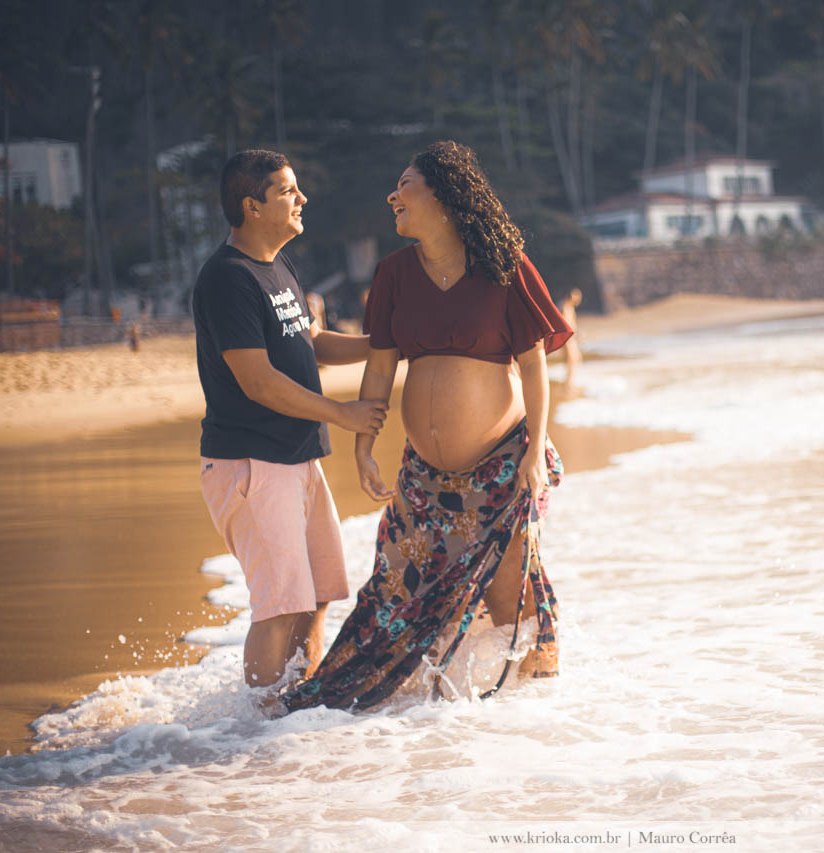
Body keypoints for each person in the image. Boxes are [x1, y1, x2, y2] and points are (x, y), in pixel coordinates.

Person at [281, 140, 572, 712]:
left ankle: (523, 717)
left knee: (508, 595)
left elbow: (536, 369)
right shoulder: (393, 275)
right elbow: (381, 365)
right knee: (395, 592)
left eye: (406, 184)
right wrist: (363, 448)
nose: (393, 195)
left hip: (503, 465)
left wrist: (535, 455)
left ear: (443, 195)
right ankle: (409, 704)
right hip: (425, 477)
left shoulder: (501, 265)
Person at [193, 149, 388, 691]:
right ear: (252, 206)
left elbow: (309, 342)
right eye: (287, 192)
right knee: (279, 605)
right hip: (252, 462)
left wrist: (384, 345)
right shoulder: (227, 278)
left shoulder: (280, 265)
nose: (302, 200)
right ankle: (256, 727)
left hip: (297, 456)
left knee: (318, 594)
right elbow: (258, 381)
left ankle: (297, 707)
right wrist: (342, 413)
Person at [559, 287, 583, 393]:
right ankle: (568, 385)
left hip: (571, 338)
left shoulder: (570, 307)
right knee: (571, 360)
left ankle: (570, 383)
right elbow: (565, 324)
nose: (578, 299)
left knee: (575, 359)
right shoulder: (565, 306)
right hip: (568, 338)